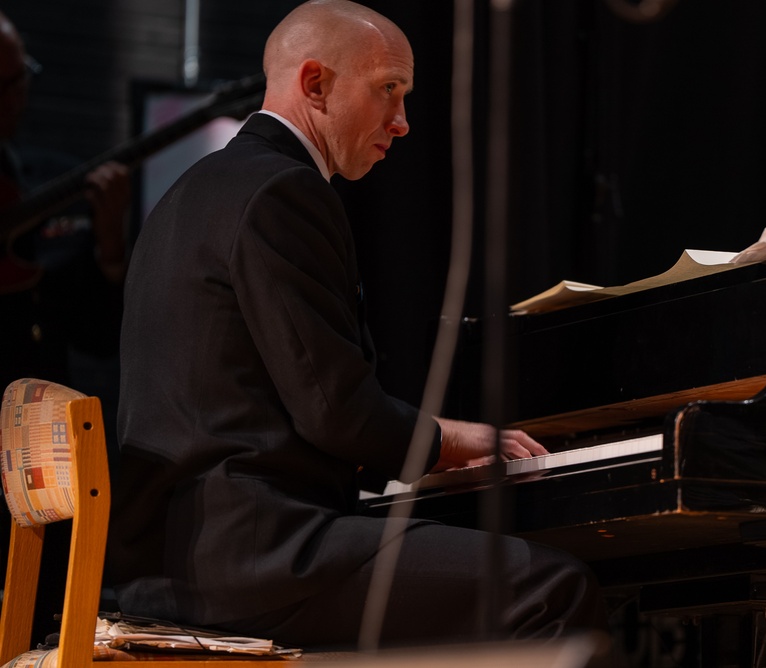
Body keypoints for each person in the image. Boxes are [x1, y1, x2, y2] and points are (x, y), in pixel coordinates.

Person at [106, 0, 608, 650]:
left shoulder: (191, 191)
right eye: (388, 91)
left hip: (177, 557)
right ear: (315, 84)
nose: (402, 123)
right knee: (551, 590)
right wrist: (453, 439)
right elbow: (334, 412)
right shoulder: (282, 190)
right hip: (253, 556)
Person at [0, 9, 130, 646]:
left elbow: (98, 336)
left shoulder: (47, 178)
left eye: (17, 79)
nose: (13, 97)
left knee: (45, 615)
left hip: (40, 447)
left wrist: (109, 249)